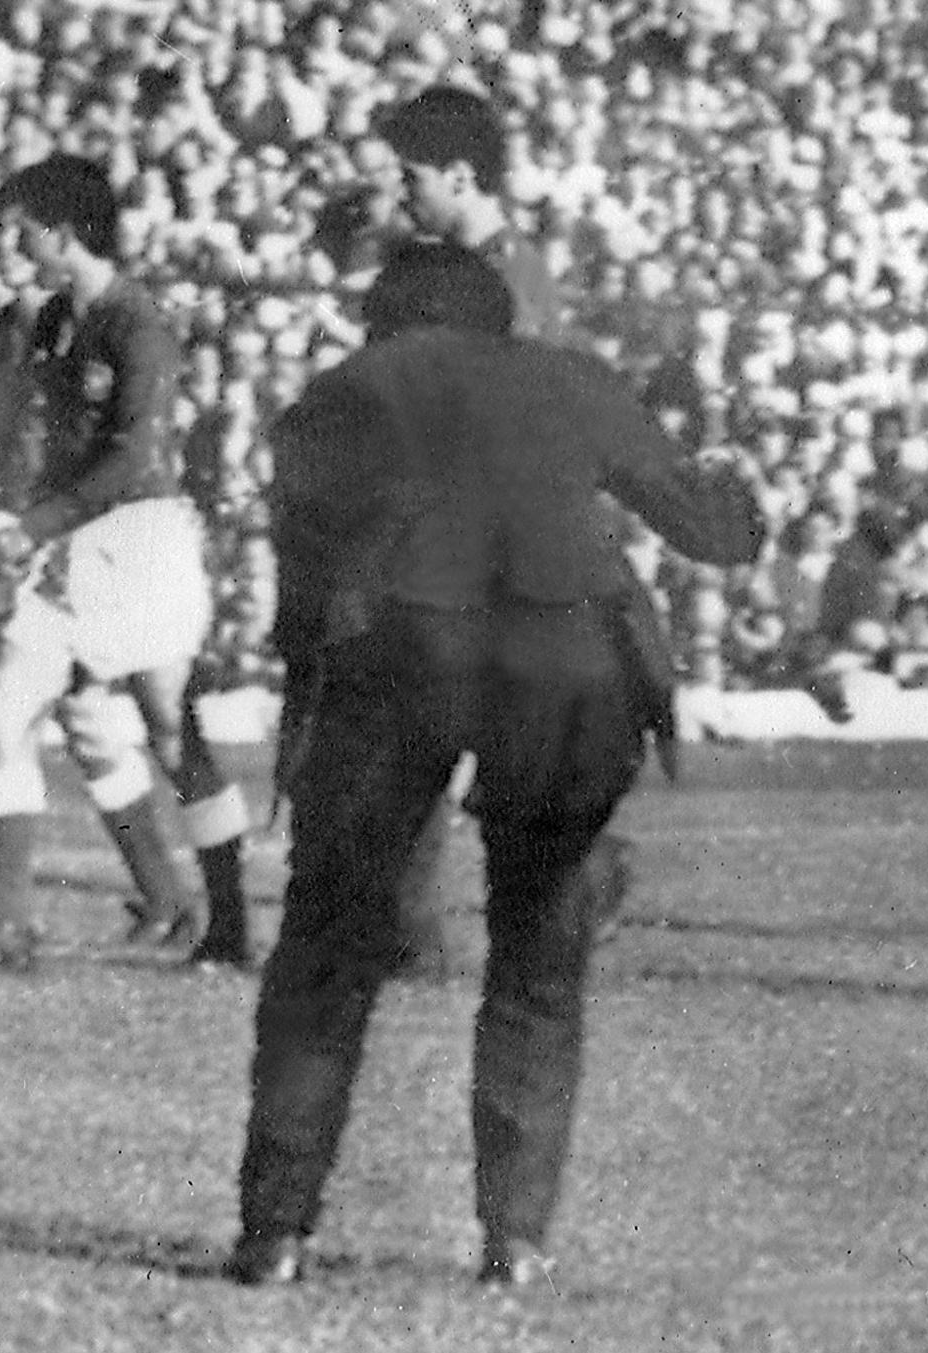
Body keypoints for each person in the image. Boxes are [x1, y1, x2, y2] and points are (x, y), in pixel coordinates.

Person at [226, 241, 764, 1287]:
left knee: (328, 946)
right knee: (537, 953)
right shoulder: (567, 376)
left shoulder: (344, 390)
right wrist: (740, 490)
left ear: (385, 319)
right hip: (562, 663)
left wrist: (310, 725)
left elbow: (303, 574)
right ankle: (514, 1238)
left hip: (399, 650)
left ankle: (275, 1231)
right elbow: (710, 531)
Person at [0, 155, 226, 972]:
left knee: (158, 724)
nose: (5, 244)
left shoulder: (130, 321)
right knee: (59, 718)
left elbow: (132, 456)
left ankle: (179, 911)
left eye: (19, 230)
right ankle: (146, 904)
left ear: (64, 235)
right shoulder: (40, 326)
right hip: (74, 545)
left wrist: (29, 523)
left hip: (131, 540)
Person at [366, 84, 628, 976]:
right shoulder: (470, 268)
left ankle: (421, 931)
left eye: (411, 175)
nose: (400, 192)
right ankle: (423, 928)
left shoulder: (503, 280)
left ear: (461, 174)